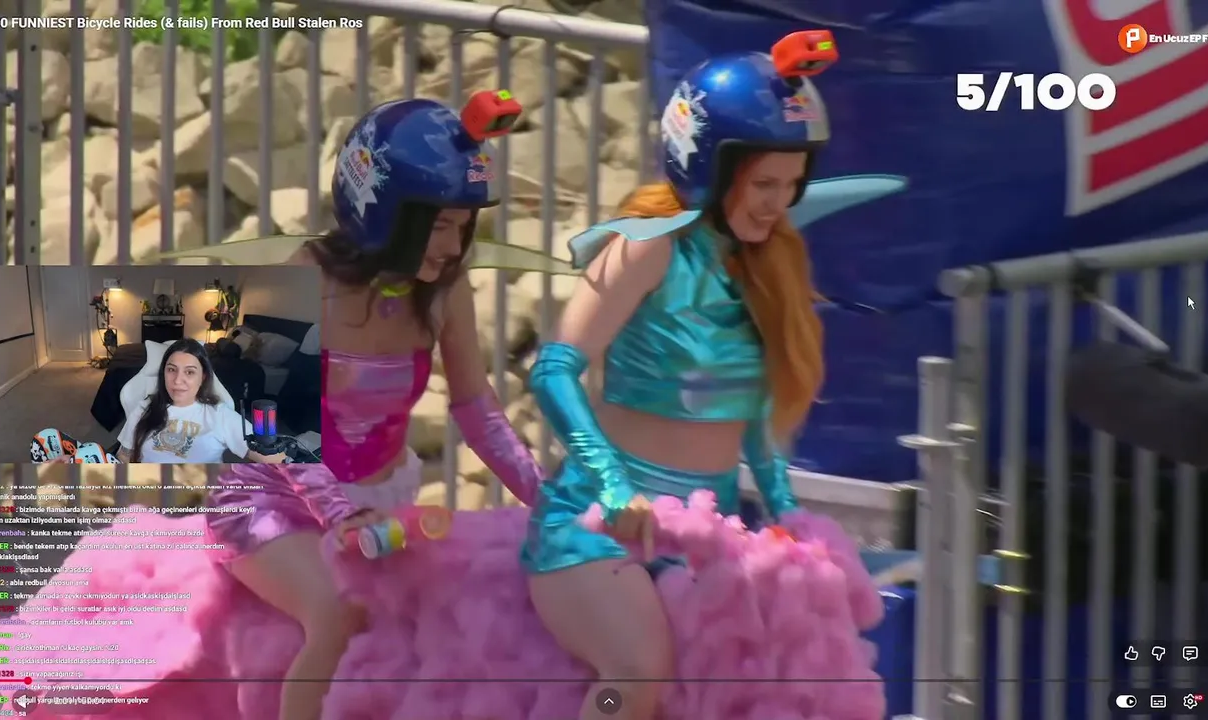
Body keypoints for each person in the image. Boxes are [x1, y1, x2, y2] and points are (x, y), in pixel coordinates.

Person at [521, 41, 905, 720]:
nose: (778, 204)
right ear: (708, 167)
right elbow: (553, 368)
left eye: (791, 186)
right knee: (636, 675)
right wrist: (612, 488)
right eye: (764, 185)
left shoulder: (767, 265)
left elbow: (751, 413)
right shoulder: (647, 244)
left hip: (705, 536)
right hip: (597, 528)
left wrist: (785, 512)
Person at [173, 94, 564, 720]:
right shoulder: (302, 279)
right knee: (340, 611)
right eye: (439, 224)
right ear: (383, 209)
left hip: (378, 509)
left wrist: (551, 499)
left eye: (464, 226)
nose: (454, 245)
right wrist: (339, 510)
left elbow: (478, 410)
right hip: (270, 503)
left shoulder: (445, 291)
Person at [28, 338, 285, 465]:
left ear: (203, 377)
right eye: (171, 370)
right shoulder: (146, 406)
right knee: (47, 440)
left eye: (189, 372)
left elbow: (267, 455)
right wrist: (87, 462)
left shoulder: (219, 413)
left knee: (85, 457)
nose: (178, 380)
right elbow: (125, 454)